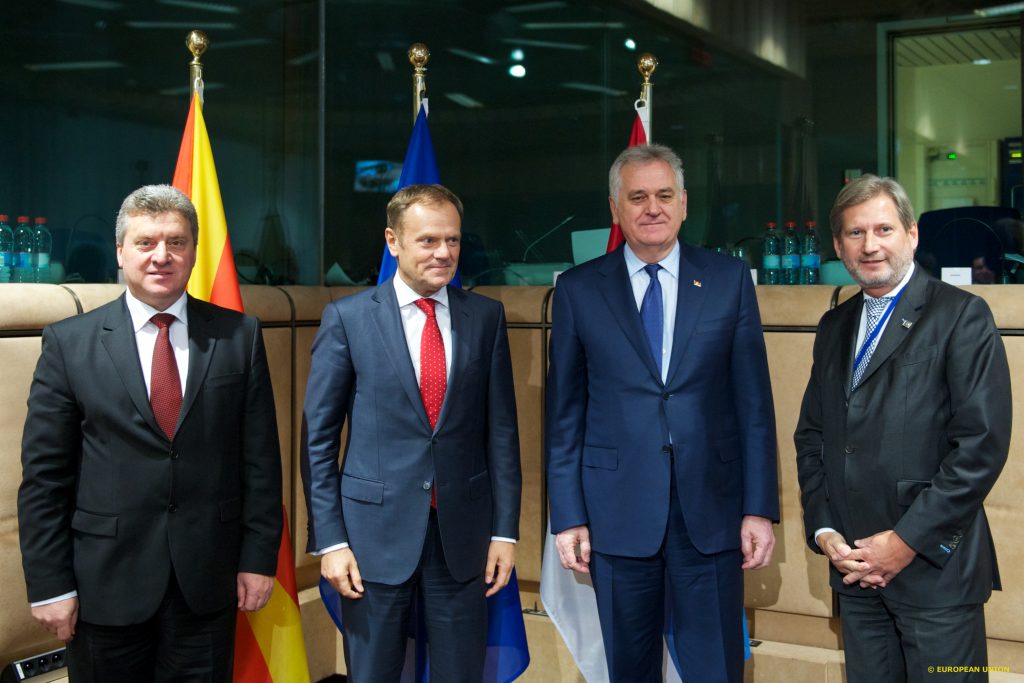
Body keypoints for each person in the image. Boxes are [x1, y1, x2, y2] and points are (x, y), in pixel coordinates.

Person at [18, 184, 283, 681]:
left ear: (194, 252)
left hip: (206, 583)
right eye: (146, 243)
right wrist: (51, 585)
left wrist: (259, 559)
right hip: (103, 588)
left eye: (176, 242)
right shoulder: (69, 344)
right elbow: (45, 479)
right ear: (121, 252)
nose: (162, 256)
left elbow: (261, 463)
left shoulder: (239, 336)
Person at [546, 144, 779, 682]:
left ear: (684, 203)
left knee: (715, 668)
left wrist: (758, 509)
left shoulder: (728, 279)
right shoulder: (578, 290)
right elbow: (564, 415)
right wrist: (569, 516)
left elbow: (754, 405)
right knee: (629, 669)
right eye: (637, 197)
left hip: (713, 510)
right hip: (615, 512)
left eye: (664, 195)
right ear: (615, 208)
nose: (652, 208)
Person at [795, 175, 1011, 683]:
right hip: (855, 572)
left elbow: (980, 447)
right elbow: (812, 437)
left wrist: (906, 540)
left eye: (884, 229)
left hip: (935, 574)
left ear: (912, 234)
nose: (870, 245)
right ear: (838, 246)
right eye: (855, 233)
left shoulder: (961, 316)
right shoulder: (834, 326)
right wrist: (825, 531)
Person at [301, 183, 521, 682]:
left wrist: (504, 532)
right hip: (370, 542)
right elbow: (318, 443)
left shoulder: (485, 317)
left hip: (462, 540)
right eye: (428, 240)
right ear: (393, 241)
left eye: (453, 240)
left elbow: (502, 435)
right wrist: (330, 541)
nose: (444, 253)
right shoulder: (348, 319)